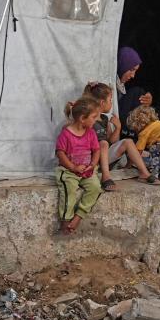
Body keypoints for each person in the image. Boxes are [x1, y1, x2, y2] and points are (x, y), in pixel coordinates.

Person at [55, 92, 106, 234]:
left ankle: (78, 216)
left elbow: (96, 150)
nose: (96, 120)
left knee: (96, 187)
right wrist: (73, 167)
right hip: (69, 171)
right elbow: (60, 153)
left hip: (86, 171)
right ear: (83, 118)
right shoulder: (66, 133)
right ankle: (66, 220)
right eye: (94, 117)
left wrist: (93, 165)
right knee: (69, 188)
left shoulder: (90, 133)